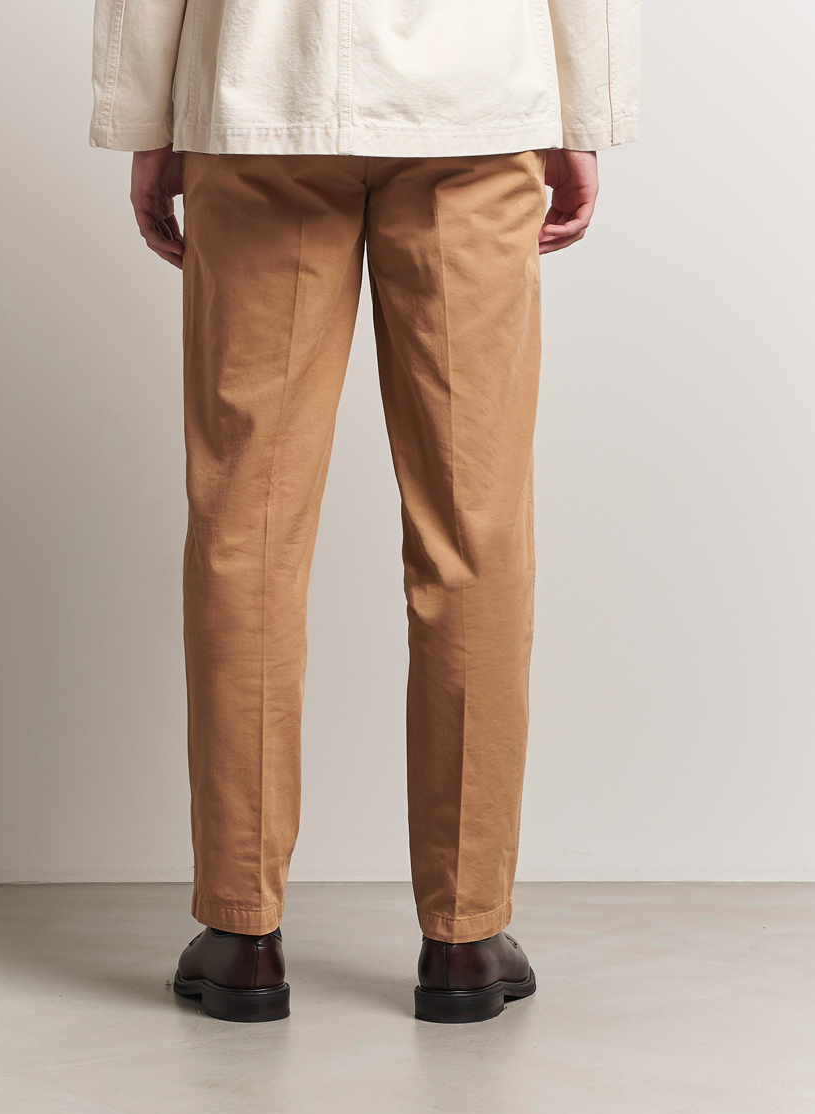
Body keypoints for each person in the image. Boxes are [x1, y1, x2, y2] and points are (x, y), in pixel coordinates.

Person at [90, 0, 639, 1024]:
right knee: (474, 528)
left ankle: (242, 932)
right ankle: (466, 936)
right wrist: (585, 112)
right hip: (474, 104)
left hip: (263, 95)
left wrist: (145, 117)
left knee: (245, 528)